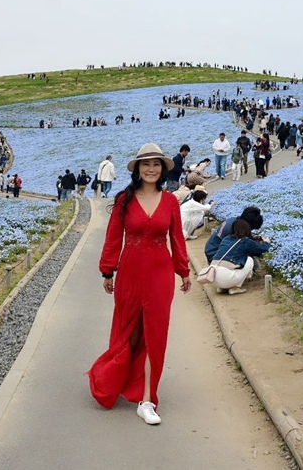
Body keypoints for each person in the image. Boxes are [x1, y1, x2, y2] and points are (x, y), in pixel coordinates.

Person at [89, 143, 191, 426]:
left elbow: (177, 240)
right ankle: (113, 378)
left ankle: (147, 400)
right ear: (138, 169)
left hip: (160, 274)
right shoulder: (125, 200)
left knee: (154, 335)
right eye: (146, 164)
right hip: (130, 273)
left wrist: (183, 271)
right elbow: (113, 237)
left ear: (162, 169)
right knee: (129, 332)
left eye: (156, 164)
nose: (151, 169)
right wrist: (107, 271)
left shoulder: (170, 201)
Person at [209, 219, 270, 295]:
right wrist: (266, 242)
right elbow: (262, 248)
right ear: (247, 229)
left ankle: (222, 287)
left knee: (231, 265)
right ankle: (234, 287)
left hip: (213, 277)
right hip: (226, 278)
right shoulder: (244, 241)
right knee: (250, 260)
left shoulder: (226, 238)